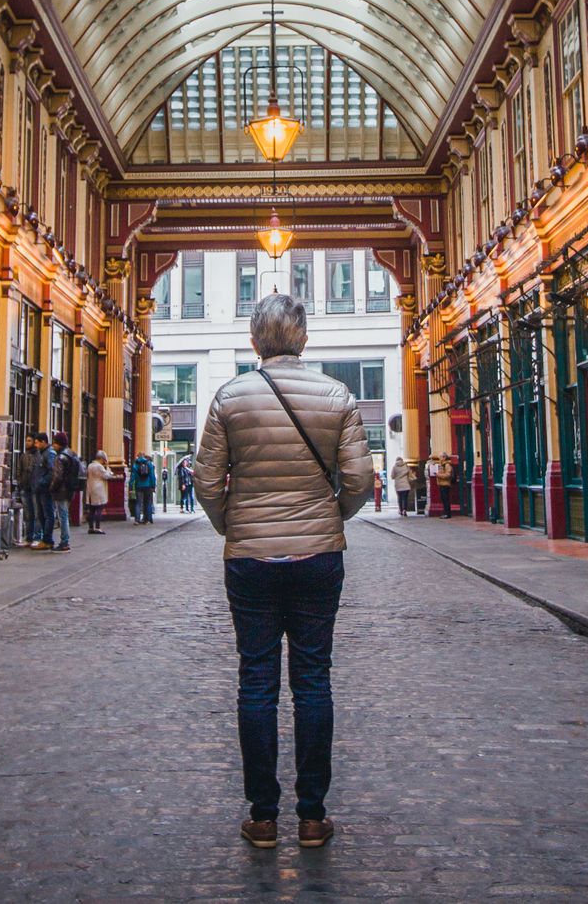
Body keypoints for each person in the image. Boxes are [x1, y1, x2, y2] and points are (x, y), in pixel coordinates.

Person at [195, 293, 374, 853]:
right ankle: (314, 816)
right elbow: (361, 479)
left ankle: (264, 817)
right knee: (314, 680)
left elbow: (205, 481)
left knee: (257, 680)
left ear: (255, 340)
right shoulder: (337, 396)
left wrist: (235, 525)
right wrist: (330, 517)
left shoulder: (229, 397)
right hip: (319, 557)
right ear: (302, 338)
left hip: (250, 559)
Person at [50, 431, 79, 552]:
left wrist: (52, 488)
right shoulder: (72, 454)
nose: (53, 446)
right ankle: (65, 540)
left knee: (63, 516)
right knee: (65, 514)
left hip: (61, 490)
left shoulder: (60, 457)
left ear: (60, 444)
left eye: (55, 443)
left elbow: (58, 476)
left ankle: (64, 541)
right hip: (71, 488)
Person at [26, 430, 53, 550]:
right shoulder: (41, 453)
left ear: (43, 442)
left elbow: (51, 471)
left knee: (47, 515)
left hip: (45, 490)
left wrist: (42, 482)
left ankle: (47, 539)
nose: (35, 445)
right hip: (37, 488)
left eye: (37, 443)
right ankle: (44, 539)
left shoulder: (49, 454)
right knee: (41, 515)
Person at [85, 449, 118, 534]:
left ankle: (91, 527)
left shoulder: (90, 465)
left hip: (91, 488)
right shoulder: (99, 466)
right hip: (99, 489)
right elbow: (106, 476)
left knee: (91, 509)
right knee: (99, 508)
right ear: (102, 458)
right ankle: (97, 527)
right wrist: (109, 469)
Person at [129, 453, 157, 524]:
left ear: (138, 456)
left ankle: (137, 520)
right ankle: (146, 519)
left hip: (138, 486)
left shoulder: (135, 464)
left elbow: (133, 477)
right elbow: (152, 476)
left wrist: (131, 485)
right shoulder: (149, 464)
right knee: (147, 503)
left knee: (138, 503)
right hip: (147, 486)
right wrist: (153, 485)